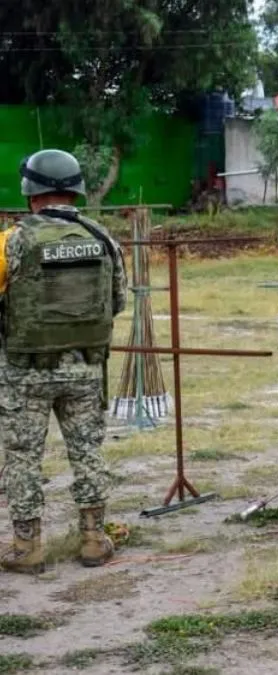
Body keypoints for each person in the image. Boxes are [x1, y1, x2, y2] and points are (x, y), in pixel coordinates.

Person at [0, 148, 126, 574]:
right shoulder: (102, 238)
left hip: (24, 372)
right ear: (76, 190)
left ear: (30, 192)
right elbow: (117, 301)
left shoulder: (12, 240)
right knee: (88, 451)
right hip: (85, 368)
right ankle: (93, 540)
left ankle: (27, 548)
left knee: (22, 457)